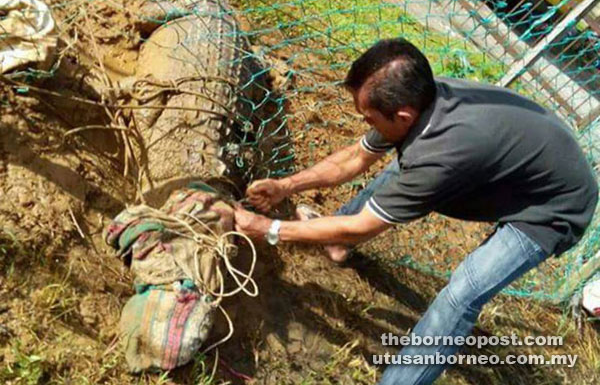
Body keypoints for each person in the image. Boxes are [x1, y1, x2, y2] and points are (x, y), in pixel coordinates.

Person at [233, 37, 598, 384]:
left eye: (370, 118)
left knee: (462, 293)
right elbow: (356, 157)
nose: (367, 125)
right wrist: (287, 186)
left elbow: (362, 226)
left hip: (554, 205)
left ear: (404, 115)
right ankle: (335, 247)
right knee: (405, 166)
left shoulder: (440, 154)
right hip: (525, 161)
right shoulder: (420, 96)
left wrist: (270, 228)